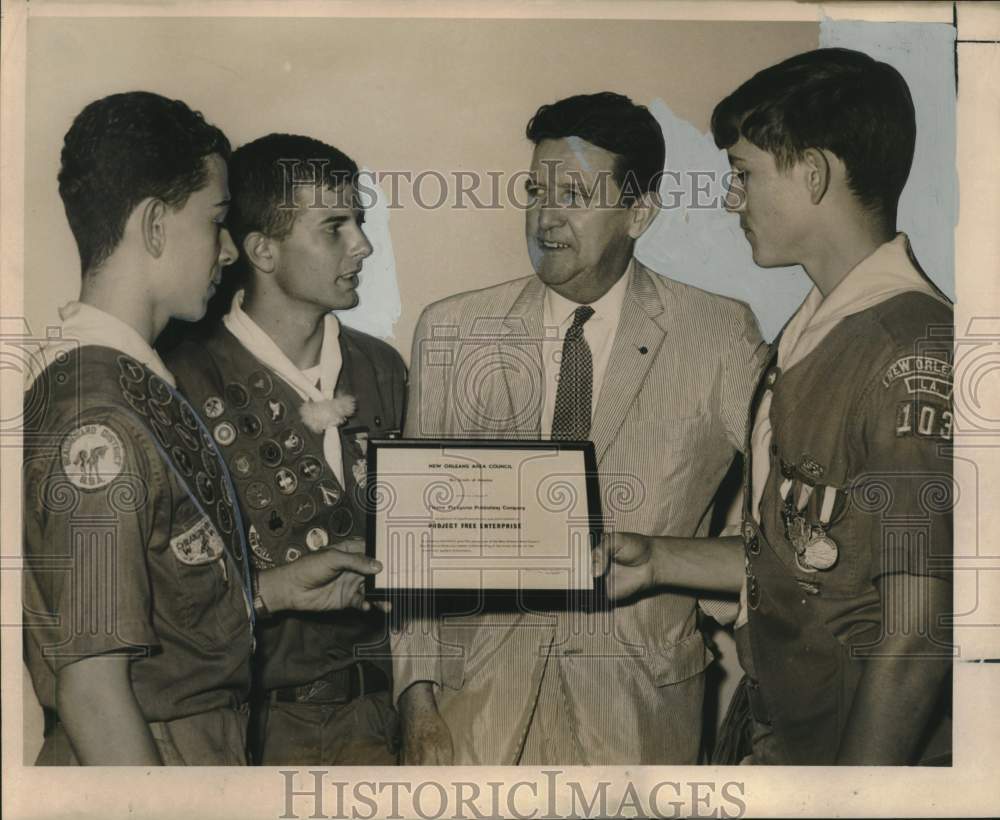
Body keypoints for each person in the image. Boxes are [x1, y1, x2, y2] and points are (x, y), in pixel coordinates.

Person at [596, 48, 954, 765]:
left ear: (814, 174)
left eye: (744, 174)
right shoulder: (816, 330)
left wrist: (854, 802)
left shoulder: (910, 350)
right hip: (774, 730)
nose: (733, 200)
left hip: (846, 754)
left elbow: (920, 628)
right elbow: (807, 556)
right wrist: (658, 560)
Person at [393, 92, 766, 765]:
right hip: (474, 713)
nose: (546, 215)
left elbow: (794, 512)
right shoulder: (451, 330)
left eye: (575, 193)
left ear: (638, 212)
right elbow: (417, 546)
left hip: (638, 716)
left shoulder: (719, 334)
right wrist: (415, 697)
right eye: (537, 189)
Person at [22, 92, 384, 766]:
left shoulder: (135, 387)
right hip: (150, 754)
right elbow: (95, 690)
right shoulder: (99, 418)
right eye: (216, 222)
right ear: (156, 225)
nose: (227, 251)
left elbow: (160, 604)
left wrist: (270, 591)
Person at [164, 134, 406, 765]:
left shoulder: (382, 367)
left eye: (361, 221)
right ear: (263, 251)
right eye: (335, 227)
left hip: (379, 718)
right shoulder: (182, 378)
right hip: (248, 724)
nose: (364, 245)